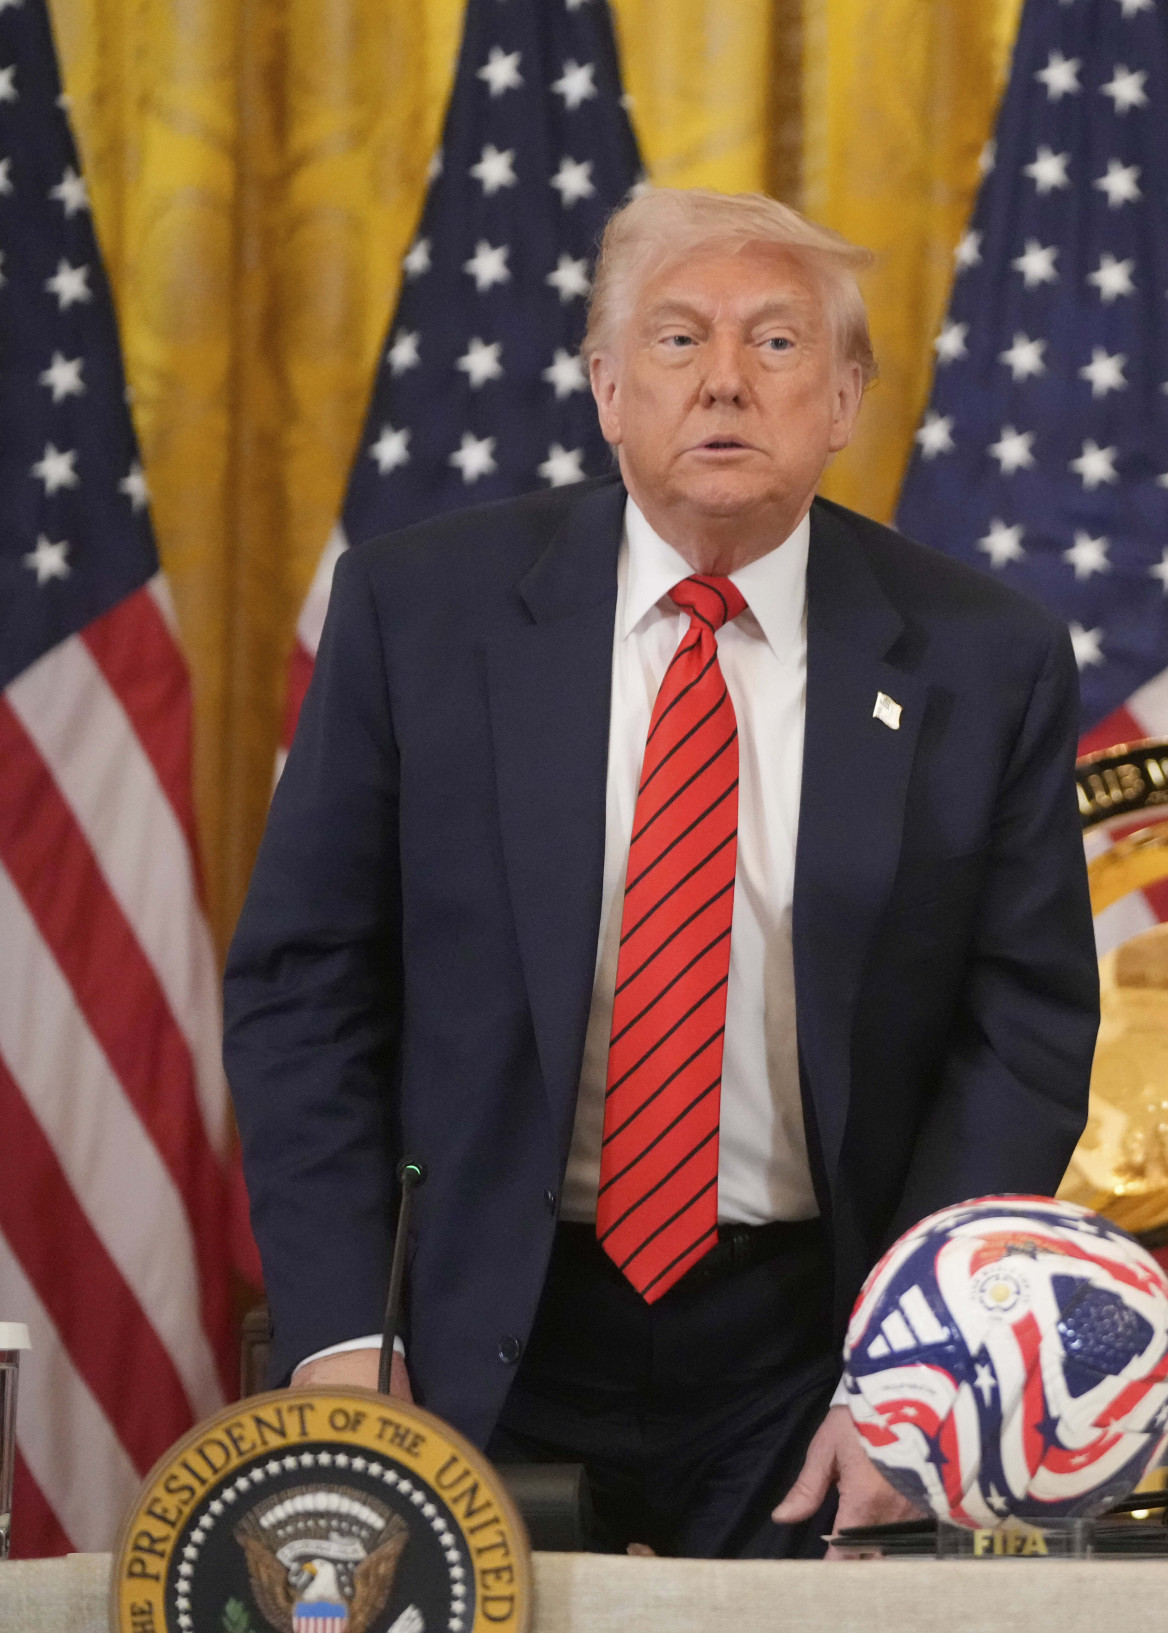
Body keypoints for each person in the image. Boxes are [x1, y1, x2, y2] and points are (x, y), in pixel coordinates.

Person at [226, 188, 1099, 1558]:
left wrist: (920, 1365)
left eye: (778, 342)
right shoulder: (420, 612)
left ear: (845, 401)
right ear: (607, 389)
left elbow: (1022, 1031)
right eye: (679, 339)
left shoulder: (986, 656)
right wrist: (344, 1329)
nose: (725, 382)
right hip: (475, 1326)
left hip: (820, 1343)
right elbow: (305, 985)